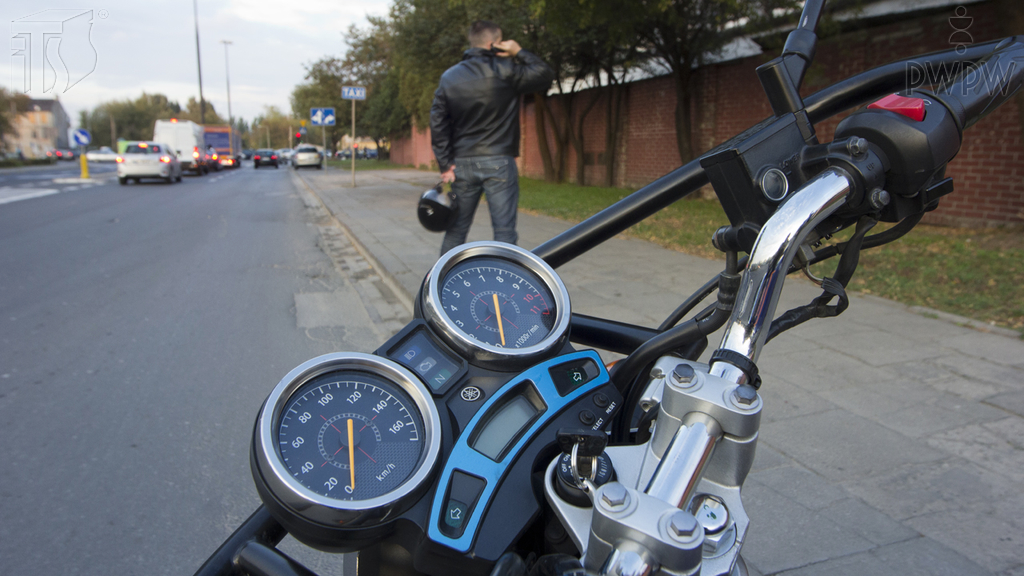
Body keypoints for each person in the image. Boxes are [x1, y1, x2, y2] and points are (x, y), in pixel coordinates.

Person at [429, 20, 554, 255]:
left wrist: (445, 164)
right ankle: (504, 286)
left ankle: (439, 285)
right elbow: (545, 75)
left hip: (462, 164)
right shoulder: (506, 69)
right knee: (504, 232)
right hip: (499, 162)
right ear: (493, 43)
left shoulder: (449, 77)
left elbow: (438, 122)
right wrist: (518, 51)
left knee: (456, 230)